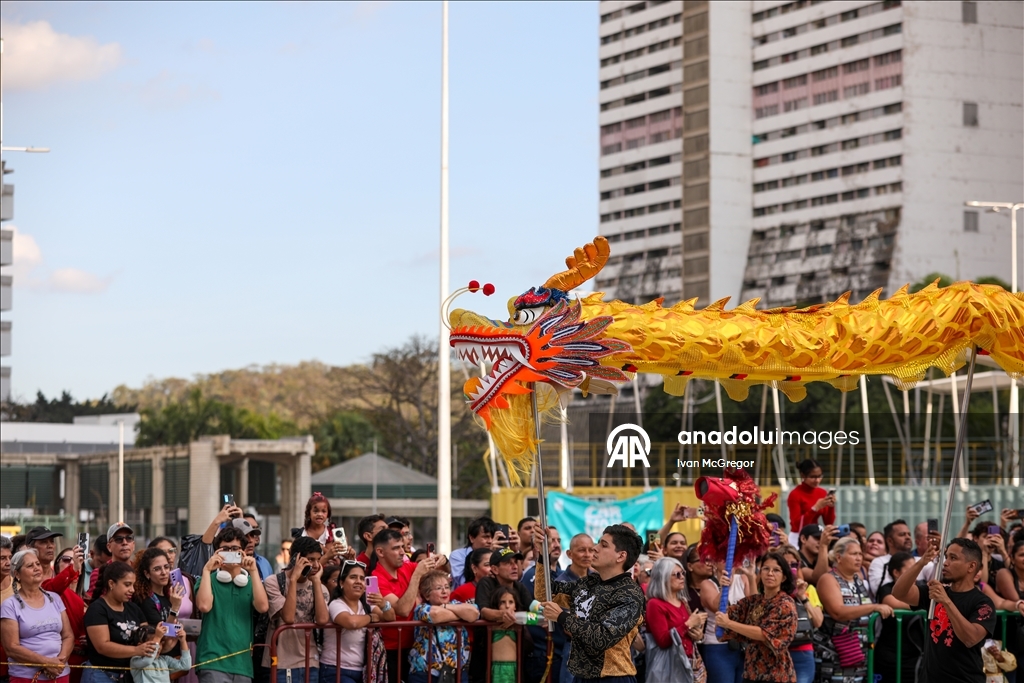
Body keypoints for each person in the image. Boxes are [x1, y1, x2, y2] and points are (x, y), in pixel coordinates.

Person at [535, 524, 645, 682]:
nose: (595, 548)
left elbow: (602, 637)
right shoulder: (588, 583)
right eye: (598, 542)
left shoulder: (630, 594)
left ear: (621, 556)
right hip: (581, 676)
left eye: (603, 545)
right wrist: (542, 555)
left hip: (613, 678)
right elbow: (544, 592)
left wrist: (562, 617)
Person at [891, 536, 997, 683]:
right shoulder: (937, 592)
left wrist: (946, 601)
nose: (945, 563)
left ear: (971, 566)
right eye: (946, 557)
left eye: (953, 558)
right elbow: (899, 593)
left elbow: (970, 639)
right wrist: (921, 562)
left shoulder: (982, 602)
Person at [195, 526, 270, 683]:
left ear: (243, 551)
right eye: (225, 549)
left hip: (242, 663)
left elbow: (263, 607)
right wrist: (207, 570)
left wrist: (254, 571)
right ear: (217, 552)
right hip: (212, 660)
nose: (230, 553)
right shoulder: (207, 580)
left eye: (235, 549)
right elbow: (204, 606)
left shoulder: (250, 582)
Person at [817, 536, 893, 683]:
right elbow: (838, 612)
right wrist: (873, 607)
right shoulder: (828, 579)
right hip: (835, 654)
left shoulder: (858, 580)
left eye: (860, 554)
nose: (858, 558)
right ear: (839, 557)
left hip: (859, 654)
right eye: (853, 554)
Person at [371, 529, 442, 683]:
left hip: (417, 646)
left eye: (402, 547)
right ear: (380, 552)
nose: (403, 552)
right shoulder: (376, 578)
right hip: (392, 650)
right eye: (396, 548)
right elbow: (402, 610)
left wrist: (440, 559)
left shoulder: (406, 567)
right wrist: (416, 575)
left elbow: (442, 570)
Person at [716, 551, 798, 683]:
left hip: (776, 675)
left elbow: (763, 633)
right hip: (751, 673)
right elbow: (723, 613)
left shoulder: (785, 603)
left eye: (776, 570)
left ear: (783, 577)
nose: (770, 573)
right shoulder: (754, 601)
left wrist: (728, 624)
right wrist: (724, 587)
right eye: (766, 568)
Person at [260, 536, 329, 683]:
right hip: (280, 662)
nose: (316, 565)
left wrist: (316, 581)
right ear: (295, 559)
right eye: (310, 559)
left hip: (310, 661)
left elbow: (322, 620)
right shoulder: (274, 582)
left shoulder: (320, 587)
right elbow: (289, 617)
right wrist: (293, 580)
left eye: (318, 559)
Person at [0, 549, 74, 683]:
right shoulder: (9, 605)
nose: (36, 568)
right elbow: (11, 648)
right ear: (17, 574)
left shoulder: (55, 598)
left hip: (60, 674)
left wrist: (59, 662)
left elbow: (68, 636)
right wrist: (46, 662)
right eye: (30, 566)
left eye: (37, 564)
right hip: (26, 677)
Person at [25, 528, 87, 683]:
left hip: (68, 659)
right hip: (32, 665)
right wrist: (73, 570)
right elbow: (48, 588)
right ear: (31, 548)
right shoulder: (27, 581)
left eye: (51, 542)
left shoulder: (71, 590)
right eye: (44, 542)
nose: (50, 546)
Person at [321, 560, 393, 683]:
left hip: (361, 670)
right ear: (341, 583)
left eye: (362, 578)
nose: (359, 581)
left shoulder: (366, 604)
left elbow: (390, 617)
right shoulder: (336, 604)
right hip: (335, 669)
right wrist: (370, 618)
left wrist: (383, 604)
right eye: (353, 577)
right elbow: (351, 623)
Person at [84, 561, 153, 683]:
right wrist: (137, 650)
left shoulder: (134, 609)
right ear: (111, 584)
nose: (132, 590)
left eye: (133, 585)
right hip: (101, 675)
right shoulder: (97, 609)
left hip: (129, 675)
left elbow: (147, 634)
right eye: (127, 585)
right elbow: (102, 646)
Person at [408, 570, 478, 683]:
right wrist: (460, 615)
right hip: (426, 672)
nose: (444, 591)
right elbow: (435, 615)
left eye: (446, 587)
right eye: (439, 588)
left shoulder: (454, 604)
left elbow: (473, 614)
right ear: (426, 594)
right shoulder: (421, 608)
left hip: (457, 671)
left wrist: (445, 606)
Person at [475, 547, 533, 683]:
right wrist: (504, 615)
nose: (514, 567)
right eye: (508, 563)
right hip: (486, 657)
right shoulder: (486, 583)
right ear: (494, 569)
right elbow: (483, 611)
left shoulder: (520, 587)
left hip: (517, 658)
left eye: (515, 562)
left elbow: (533, 611)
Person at [644, 557, 706, 681]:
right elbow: (662, 641)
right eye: (677, 574)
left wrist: (698, 636)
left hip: (689, 663)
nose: (682, 577)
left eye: (683, 573)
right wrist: (688, 624)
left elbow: (687, 635)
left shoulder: (682, 601)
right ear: (663, 577)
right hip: (669, 666)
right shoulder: (655, 604)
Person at [873, 552, 922, 683]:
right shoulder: (887, 589)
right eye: (911, 569)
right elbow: (893, 602)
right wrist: (923, 604)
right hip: (891, 658)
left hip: (916, 658)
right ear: (896, 572)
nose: (916, 573)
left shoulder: (921, 587)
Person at [778, 547, 823, 683]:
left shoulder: (809, 589)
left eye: (795, 564)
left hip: (803, 651)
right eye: (787, 564)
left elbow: (818, 622)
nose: (792, 568)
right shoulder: (770, 590)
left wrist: (802, 597)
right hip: (778, 653)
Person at [995, 539, 1024, 681]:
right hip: (1009, 640)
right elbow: (1016, 598)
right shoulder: (1004, 573)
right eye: (1022, 555)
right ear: (1012, 558)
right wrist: (1019, 604)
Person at [786, 460, 835, 545]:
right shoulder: (795, 494)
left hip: (816, 535)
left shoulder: (822, 493)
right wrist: (815, 508)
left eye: (820, 476)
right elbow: (797, 524)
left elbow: (828, 522)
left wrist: (831, 507)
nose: (817, 480)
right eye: (813, 477)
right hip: (798, 537)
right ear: (803, 476)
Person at [868, 519, 917, 597]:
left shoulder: (920, 561)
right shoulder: (879, 562)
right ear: (890, 541)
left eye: (909, 534)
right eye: (902, 534)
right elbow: (883, 594)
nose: (907, 537)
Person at [88, 523, 136, 601]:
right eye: (118, 539)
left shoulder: (140, 571)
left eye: (129, 538)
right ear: (109, 547)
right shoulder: (98, 573)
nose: (124, 542)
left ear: (133, 545)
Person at [450, 517, 496, 589]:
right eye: (485, 537)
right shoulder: (457, 555)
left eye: (493, 537)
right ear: (472, 538)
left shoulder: (498, 554)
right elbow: (463, 582)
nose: (490, 541)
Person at [488, 588, 520, 683]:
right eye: (502, 602)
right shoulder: (492, 625)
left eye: (511, 602)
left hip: (514, 668)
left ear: (515, 606)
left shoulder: (519, 623)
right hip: (496, 669)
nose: (507, 606)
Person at [240, 515, 275, 580]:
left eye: (252, 534)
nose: (250, 540)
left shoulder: (264, 563)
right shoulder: (232, 564)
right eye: (245, 535)